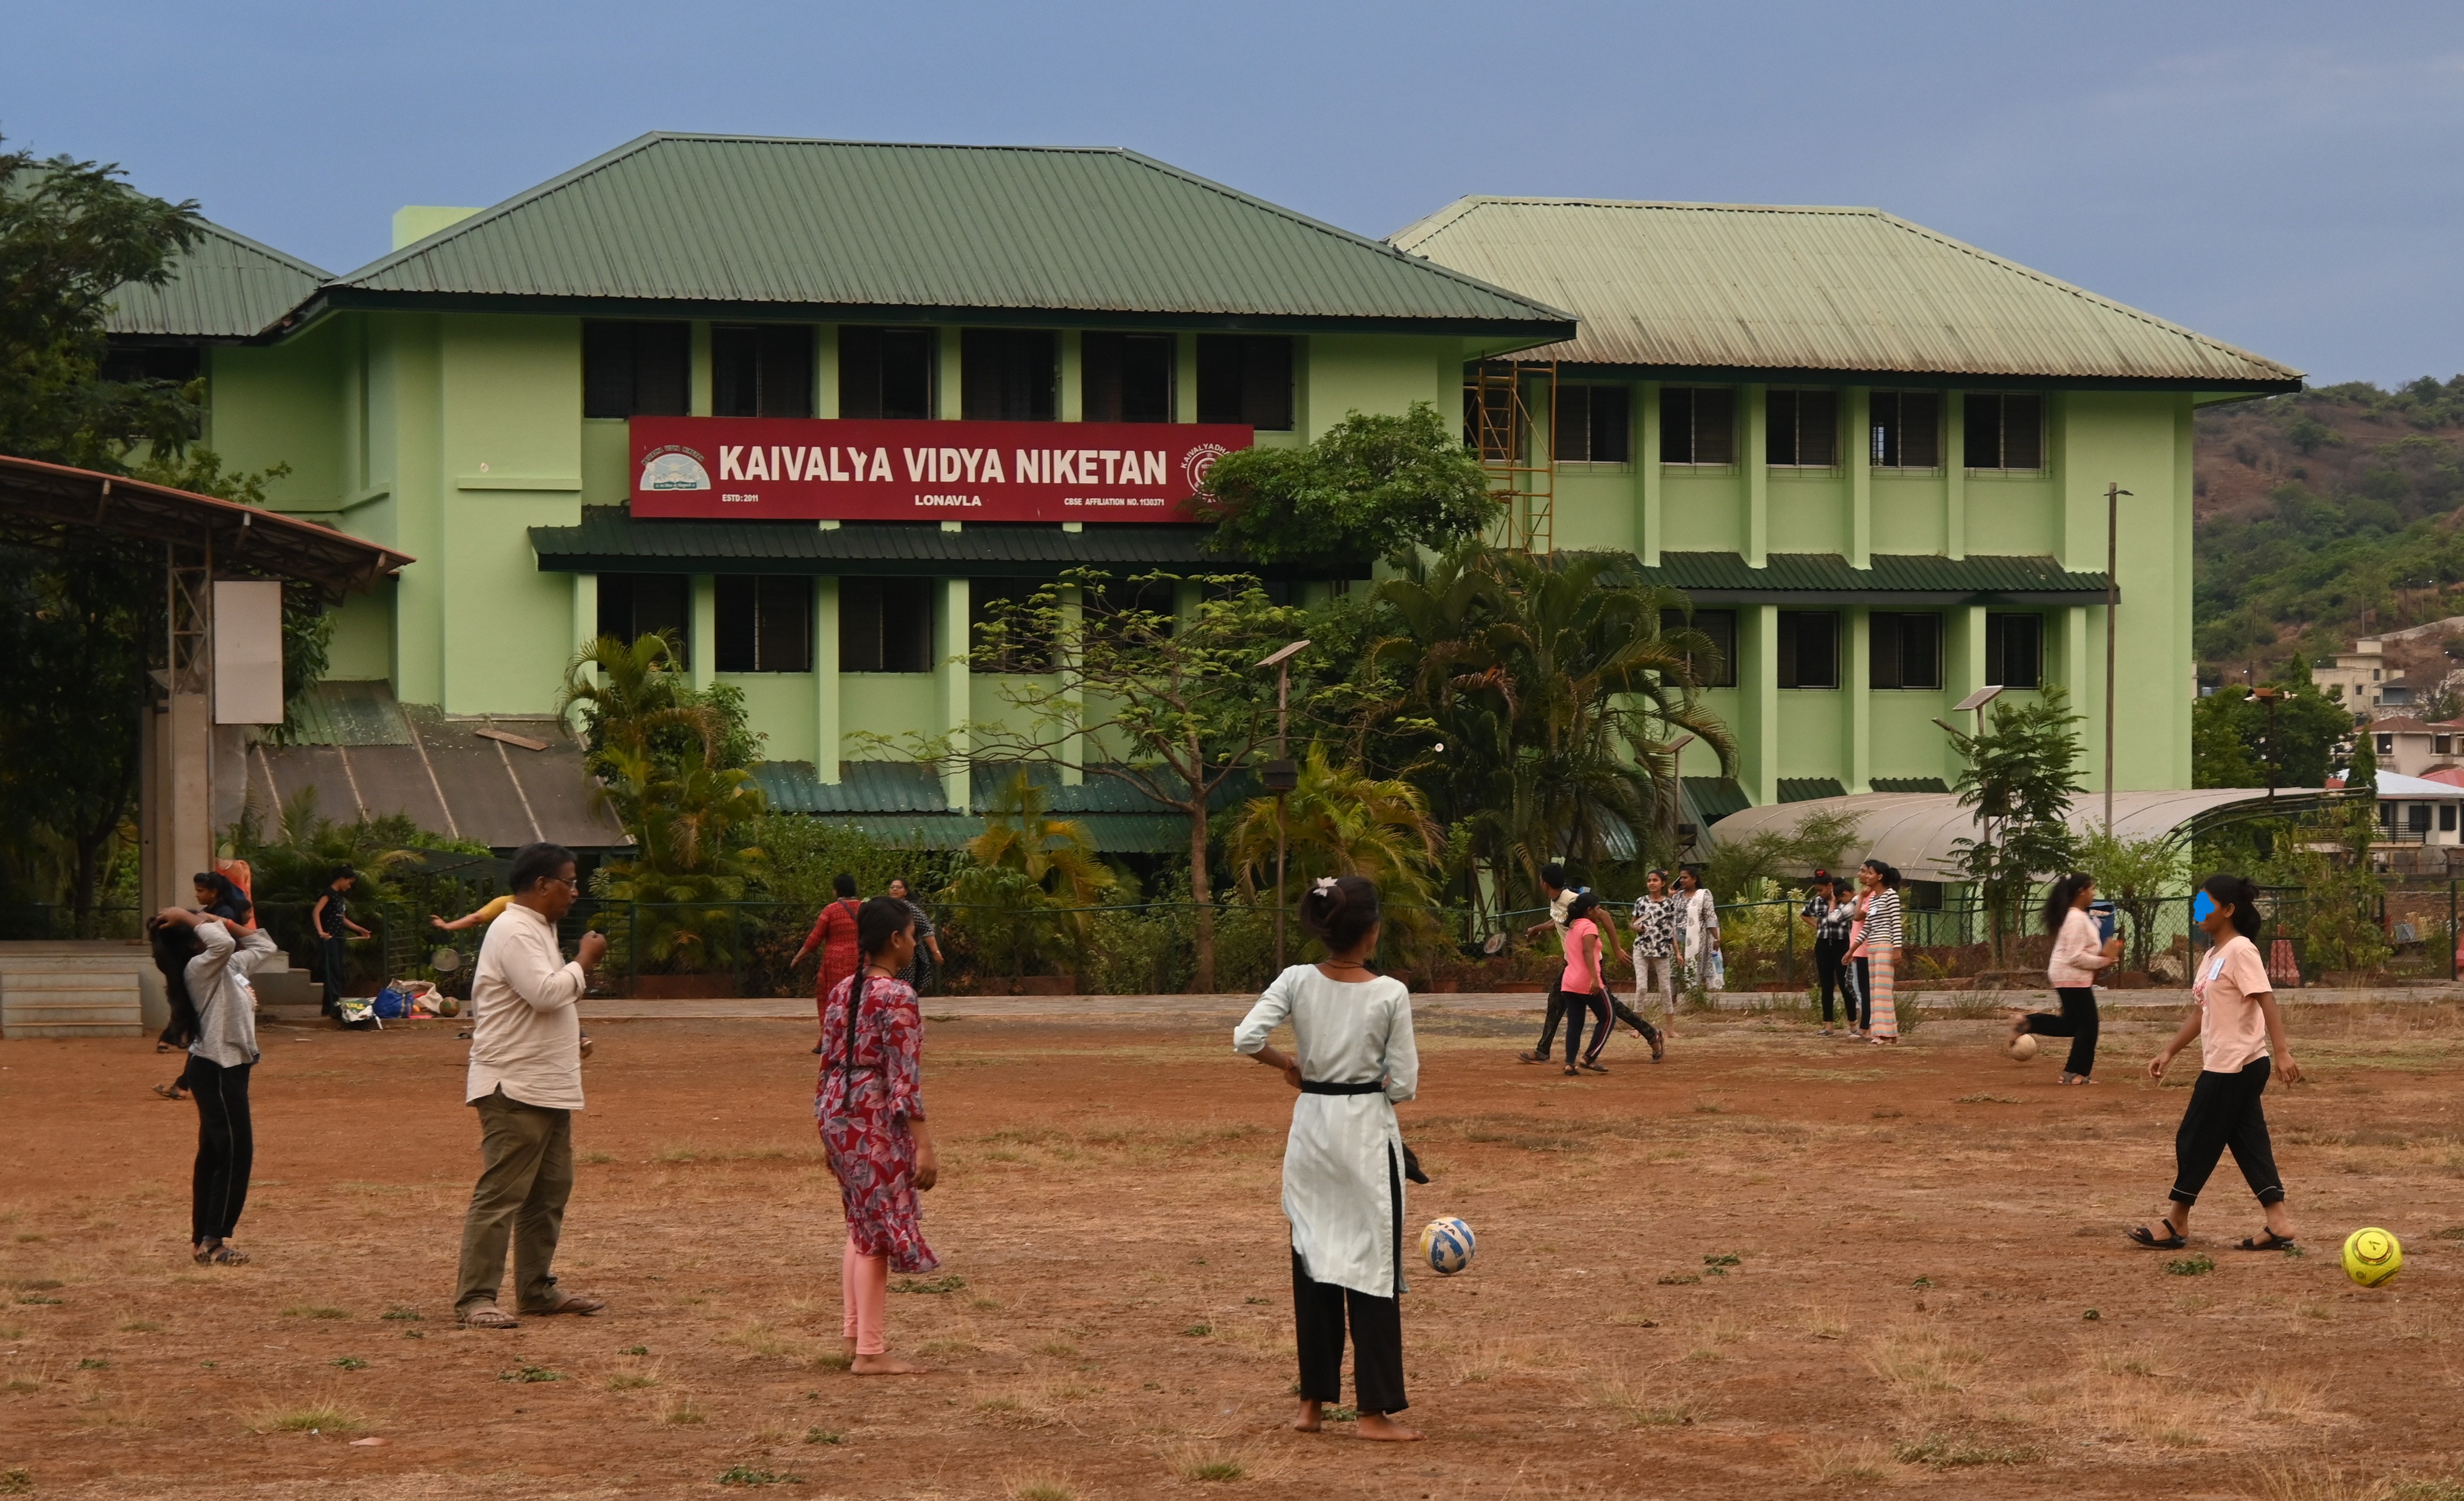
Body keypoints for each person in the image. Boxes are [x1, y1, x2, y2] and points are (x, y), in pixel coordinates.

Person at [1234, 874, 1421, 1442]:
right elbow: (1404, 1084)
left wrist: (1288, 1065)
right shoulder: (1389, 993)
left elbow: (1245, 1038)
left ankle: (1311, 1405)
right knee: (1371, 1268)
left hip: (1311, 1131)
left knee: (1312, 1259)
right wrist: (1373, 1088)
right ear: (1371, 931)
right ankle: (1372, 1413)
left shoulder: (1295, 981)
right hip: (1363, 1133)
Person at [454, 842, 609, 1330]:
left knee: (549, 1192)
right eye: (569, 880)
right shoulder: (515, 929)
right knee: (502, 1193)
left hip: (545, 1082)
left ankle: (535, 1289)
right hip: (513, 1085)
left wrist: (573, 1034)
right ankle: (476, 1297)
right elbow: (545, 993)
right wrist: (585, 960)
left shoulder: (539, 928)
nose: (575, 892)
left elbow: (538, 999)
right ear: (542, 885)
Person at [2131, 874, 2304, 1252]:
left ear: (2228, 910)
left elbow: (2266, 999)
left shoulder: (2241, 950)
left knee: (2195, 1137)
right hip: (2227, 1064)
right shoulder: (2212, 956)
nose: (2197, 910)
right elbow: (2201, 1013)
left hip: (2236, 1065)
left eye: (2204, 903)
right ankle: (2278, 1222)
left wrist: (2282, 1052)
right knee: (2247, 1141)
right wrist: (2169, 1051)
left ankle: (2176, 1221)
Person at [817, 895, 941, 1374]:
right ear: (895, 940)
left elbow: (828, 1061)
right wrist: (923, 1144)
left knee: (860, 1222)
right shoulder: (898, 996)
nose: (915, 944)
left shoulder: (844, 989)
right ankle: (870, 1350)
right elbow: (903, 1076)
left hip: (836, 1108)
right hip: (872, 1115)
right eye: (912, 936)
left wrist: (825, 1130)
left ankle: (855, 1336)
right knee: (879, 1232)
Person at [150, 905, 276, 1263]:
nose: (208, 921)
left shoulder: (228, 968)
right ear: (193, 942)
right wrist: (195, 919)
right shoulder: (199, 968)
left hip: (228, 1069)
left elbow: (265, 946)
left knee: (215, 1154)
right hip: (217, 1069)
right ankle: (213, 1241)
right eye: (199, 923)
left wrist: (225, 922)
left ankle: (203, 1239)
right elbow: (221, 944)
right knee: (235, 1153)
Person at [153, 873, 262, 1101]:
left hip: (222, 975)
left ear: (214, 892)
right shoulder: (194, 964)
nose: (197, 894)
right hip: (216, 975)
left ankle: (185, 1084)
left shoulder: (222, 915)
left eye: (202, 890)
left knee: (207, 1036)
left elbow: (226, 944)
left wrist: (188, 917)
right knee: (204, 1035)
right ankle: (185, 1083)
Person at [2015, 872, 2121, 1083]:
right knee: (2089, 1026)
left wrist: (2102, 959)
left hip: (2070, 976)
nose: (2094, 893)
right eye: (2092, 889)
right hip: (2070, 976)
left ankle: (2029, 1024)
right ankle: (2076, 1073)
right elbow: (2074, 956)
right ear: (2082, 892)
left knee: (2073, 1025)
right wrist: (2103, 962)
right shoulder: (2076, 919)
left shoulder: (2077, 917)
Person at [794, 874, 865, 1051]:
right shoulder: (865, 908)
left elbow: (815, 937)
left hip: (835, 963)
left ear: (836, 891)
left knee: (832, 1000)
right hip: (862, 960)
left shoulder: (831, 910)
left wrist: (799, 956)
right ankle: (857, 1039)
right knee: (858, 999)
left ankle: (829, 1039)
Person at [1850, 860, 1903, 1045]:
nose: (1866, 877)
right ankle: (1886, 1032)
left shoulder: (1891, 896)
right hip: (1872, 946)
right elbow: (1867, 928)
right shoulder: (1873, 899)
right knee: (1874, 992)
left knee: (1882, 990)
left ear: (1880, 877)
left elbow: (1896, 924)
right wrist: (1852, 950)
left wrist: (1897, 949)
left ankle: (1883, 1034)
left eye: (1870, 873)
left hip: (1885, 946)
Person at [310, 867, 370, 1018]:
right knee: (332, 972)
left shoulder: (339, 898)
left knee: (337, 971)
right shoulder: (328, 894)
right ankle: (332, 1006)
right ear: (342, 879)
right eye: (349, 883)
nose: (349, 887)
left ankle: (330, 1006)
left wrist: (360, 929)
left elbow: (342, 919)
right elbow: (316, 911)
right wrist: (321, 931)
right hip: (329, 938)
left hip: (338, 938)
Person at [1803, 872, 1855, 1036]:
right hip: (1823, 945)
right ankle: (1828, 1026)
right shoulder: (1817, 903)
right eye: (1817, 890)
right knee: (1826, 986)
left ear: (1830, 887)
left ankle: (1853, 1025)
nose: (1819, 893)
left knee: (1846, 984)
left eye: (1821, 890)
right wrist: (1816, 925)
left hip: (1842, 944)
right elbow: (1804, 914)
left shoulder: (1844, 902)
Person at [1630, 869, 1681, 1028]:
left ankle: (1670, 1028)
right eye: (1649, 880)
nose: (1652, 883)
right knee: (1642, 988)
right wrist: (1637, 928)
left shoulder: (1669, 904)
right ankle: (1638, 1027)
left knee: (1666, 989)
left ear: (1663, 883)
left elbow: (1672, 929)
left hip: (1662, 949)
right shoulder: (1641, 901)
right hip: (1642, 947)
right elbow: (1632, 923)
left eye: (1655, 880)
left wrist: (1678, 952)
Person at [1673, 867, 1719, 1018]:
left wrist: (1717, 938)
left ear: (1694, 879)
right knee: (1675, 969)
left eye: (1685, 878)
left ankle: (1693, 1002)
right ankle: (1672, 1003)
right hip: (1677, 937)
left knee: (1694, 967)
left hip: (1696, 938)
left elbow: (1710, 917)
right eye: (1681, 878)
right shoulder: (1677, 896)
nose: (1682, 881)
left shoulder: (1703, 896)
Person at [886, 877, 943, 995]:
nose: (895, 890)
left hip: (906, 952)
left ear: (906, 891)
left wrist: (935, 952)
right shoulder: (885, 907)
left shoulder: (910, 909)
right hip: (887, 951)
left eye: (899, 887)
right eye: (892, 887)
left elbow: (927, 928)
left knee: (904, 986)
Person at [434, 893, 514, 932]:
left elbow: (476, 918)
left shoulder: (506, 901)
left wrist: (447, 926)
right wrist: (447, 926)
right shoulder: (506, 901)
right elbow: (476, 918)